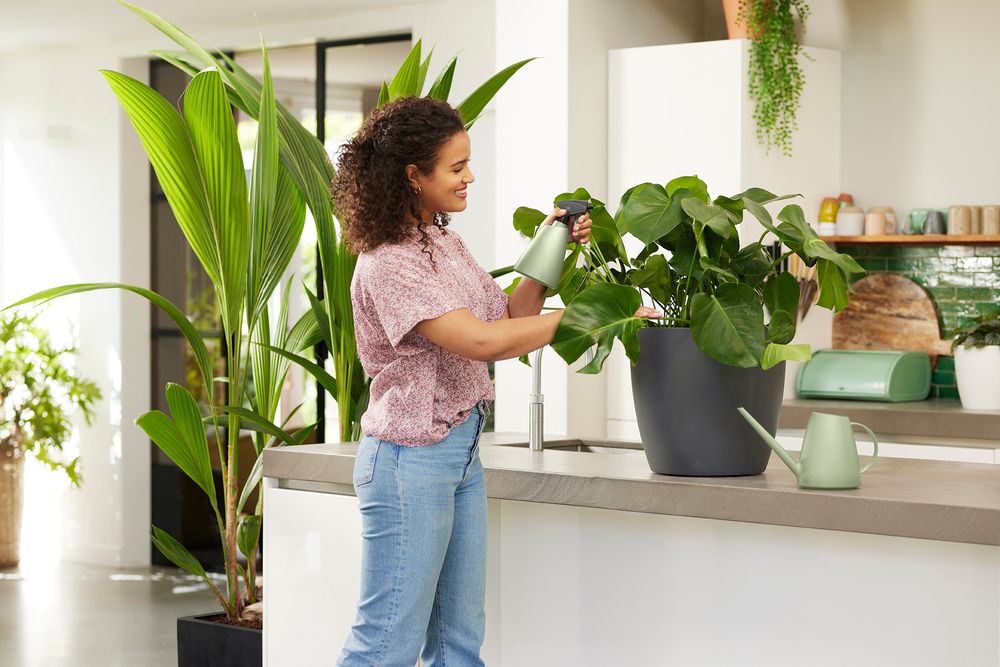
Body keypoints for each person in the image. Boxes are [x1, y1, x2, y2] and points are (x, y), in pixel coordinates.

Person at [332, 95, 662, 667]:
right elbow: (480, 343)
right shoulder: (388, 260)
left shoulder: (441, 241)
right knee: (386, 643)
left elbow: (507, 319)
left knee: (459, 642)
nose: (470, 177)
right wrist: (594, 315)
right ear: (413, 175)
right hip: (409, 458)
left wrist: (552, 238)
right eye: (456, 167)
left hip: (458, 451)